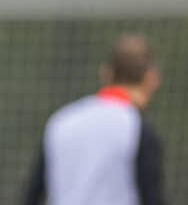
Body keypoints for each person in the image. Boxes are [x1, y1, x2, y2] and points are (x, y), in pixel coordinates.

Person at [23, 34, 165, 205]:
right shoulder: (139, 130)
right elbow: (152, 197)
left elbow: (31, 195)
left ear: (106, 74)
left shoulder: (61, 121)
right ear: (152, 79)